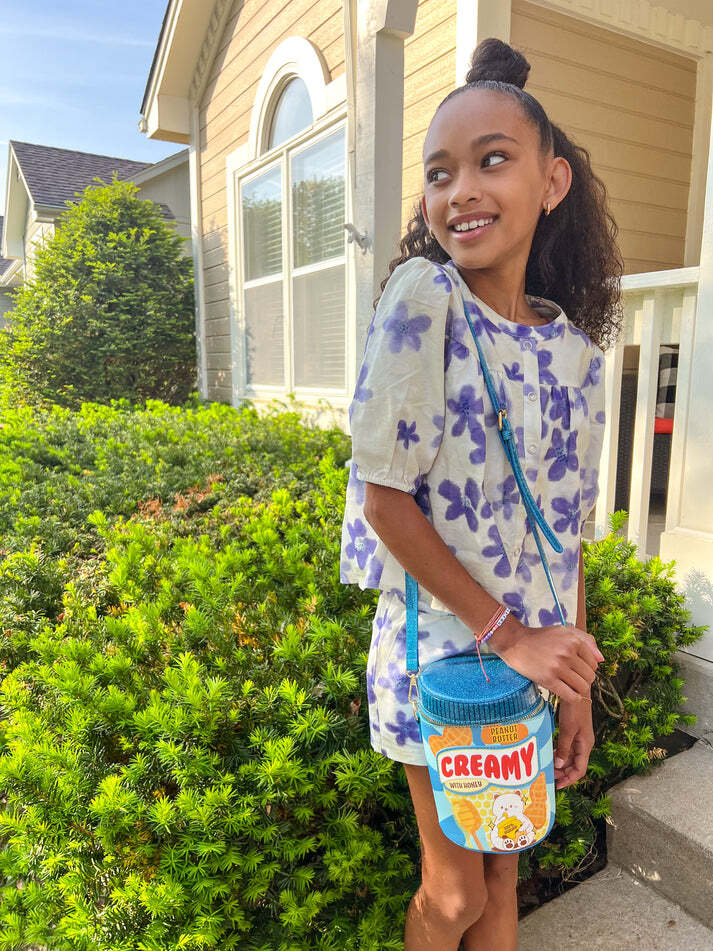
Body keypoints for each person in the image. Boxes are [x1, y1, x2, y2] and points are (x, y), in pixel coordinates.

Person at [339, 36, 624, 951]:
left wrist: (571, 680)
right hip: (446, 665)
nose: (459, 190)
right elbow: (385, 503)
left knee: (505, 876)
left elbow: (567, 536)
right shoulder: (424, 300)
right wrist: (516, 638)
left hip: (534, 666)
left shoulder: (574, 353)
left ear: (552, 181)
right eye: (439, 173)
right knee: (455, 892)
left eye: (490, 161)